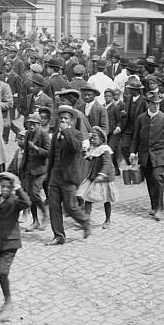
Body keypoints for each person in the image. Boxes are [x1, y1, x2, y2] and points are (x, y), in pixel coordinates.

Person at [0, 171, 31, 322]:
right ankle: (6, 302)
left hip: (11, 242)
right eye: (2, 186)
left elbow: (27, 203)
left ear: (12, 188)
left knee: (3, 272)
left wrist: (18, 188)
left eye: (7, 187)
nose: (4, 190)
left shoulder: (16, 201)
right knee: (0, 273)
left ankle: (9, 303)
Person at [45, 105, 92, 245]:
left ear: (72, 121)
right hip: (55, 175)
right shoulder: (55, 135)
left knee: (70, 207)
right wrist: (48, 176)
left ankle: (85, 221)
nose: (63, 121)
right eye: (61, 119)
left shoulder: (77, 134)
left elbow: (76, 147)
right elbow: (52, 155)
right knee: (54, 207)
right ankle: (59, 236)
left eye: (66, 119)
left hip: (69, 177)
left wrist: (67, 131)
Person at [129, 90, 164, 221]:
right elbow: (135, 138)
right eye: (153, 104)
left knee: (157, 179)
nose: (155, 106)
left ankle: (159, 208)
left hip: (160, 154)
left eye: (157, 104)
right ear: (147, 104)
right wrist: (133, 152)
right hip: (145, 155)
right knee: (150, 180)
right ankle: (153, 205)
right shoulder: (141, 118)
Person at [19, 112, 50, 231]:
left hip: (41, 169)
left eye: (34, 124)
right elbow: (26, 153)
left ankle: (45, 214)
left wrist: (36, 148)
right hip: (29, 168)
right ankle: (35, 220)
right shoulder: (27, 134)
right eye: (29, 124)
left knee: (35, 193)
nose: (31, 126)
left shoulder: (44, 134)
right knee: (29, 196)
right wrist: (22, 167)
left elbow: (48, 152)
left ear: (39, 124)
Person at [81, 125, 117, 229]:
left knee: (106, 199)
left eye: (95, 138)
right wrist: (85, 154)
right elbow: (91, 158)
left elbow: (106, 164)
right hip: (94, 177)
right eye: (91, 138)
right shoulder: (94, 149)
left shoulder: (105, 149)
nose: (92, 140)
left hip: (104, 179)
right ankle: (86, 219)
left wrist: (102, 174)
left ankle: (108, 219)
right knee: (88, 198)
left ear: (101, 139)